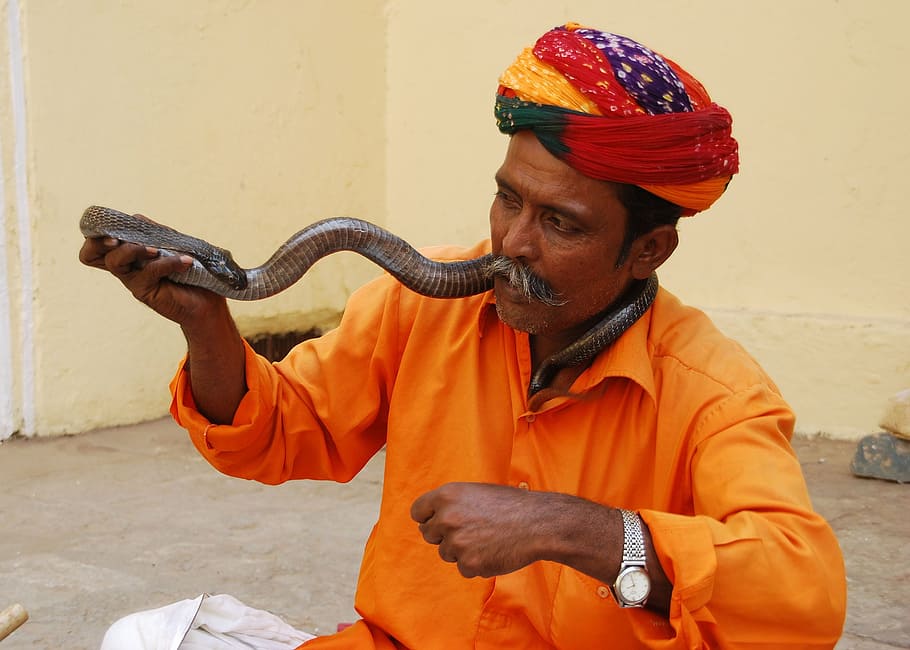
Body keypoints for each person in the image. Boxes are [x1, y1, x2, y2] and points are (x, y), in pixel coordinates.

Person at [80, 22, 847, 650]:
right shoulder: (428, 302)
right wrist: (206, 324)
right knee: (144, 640)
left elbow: (803, 596)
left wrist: (578, 529)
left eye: (559, 223)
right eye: (508, 199)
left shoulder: (713, 391)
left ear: (647, 250)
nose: (513, 242)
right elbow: (283, 430)